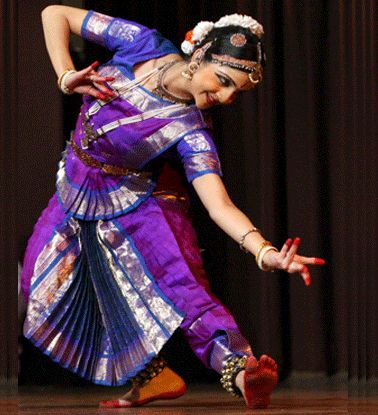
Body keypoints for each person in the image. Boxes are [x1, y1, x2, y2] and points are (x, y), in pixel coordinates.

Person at [21, 5, 325, 410]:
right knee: (37, 284)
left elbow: (219, 205)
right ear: (198, 55)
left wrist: (264, 251)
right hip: (75, 189)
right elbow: (53, 13)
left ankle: (240, 371)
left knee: (181, 281)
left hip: (135, 200)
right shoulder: (139, 42)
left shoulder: (192, 131)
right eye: (223, 81)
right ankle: (151, 377)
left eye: (238, 92)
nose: (227, 97)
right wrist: (65, 75)